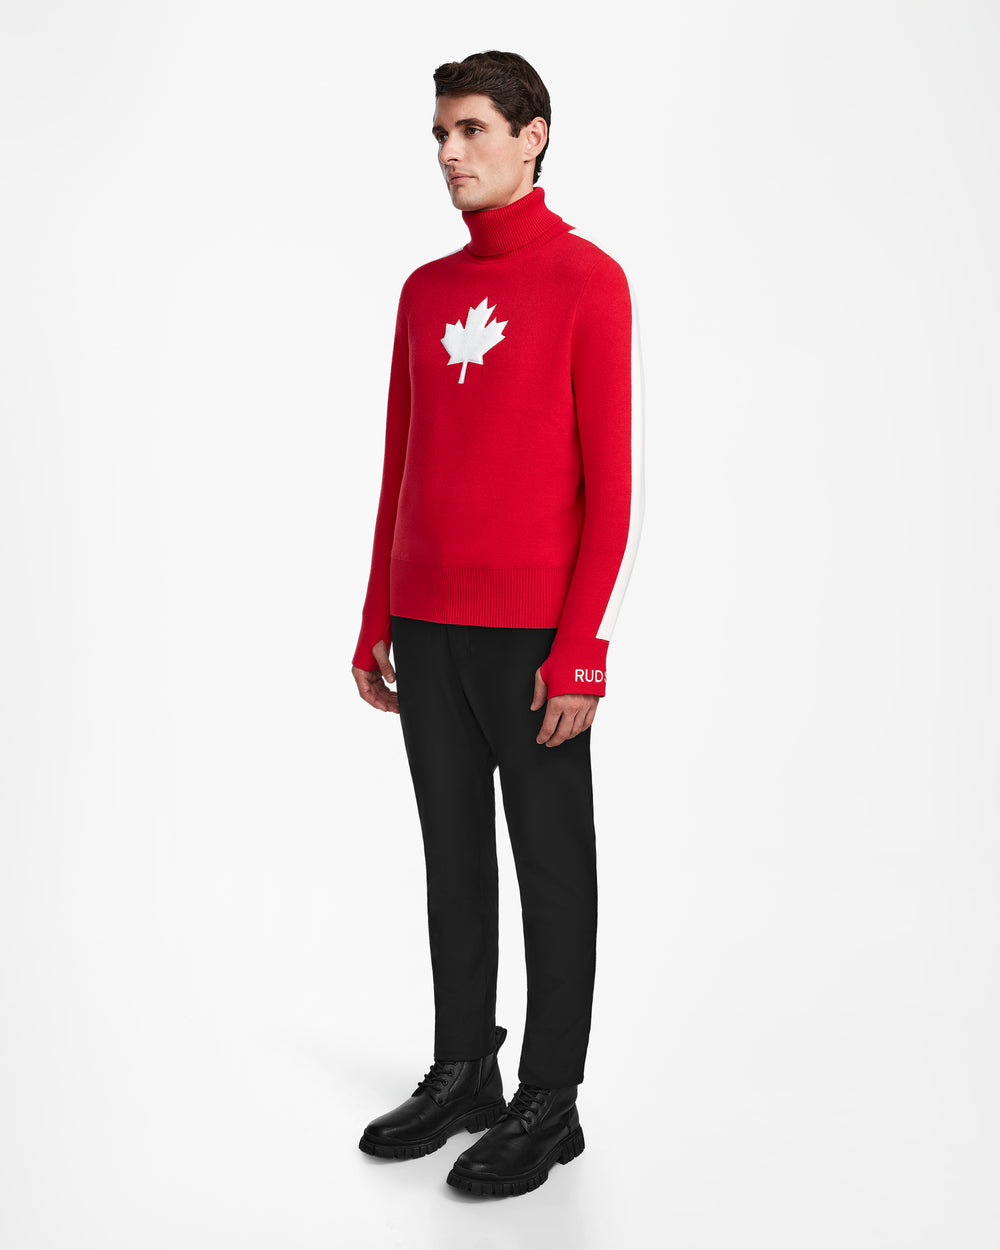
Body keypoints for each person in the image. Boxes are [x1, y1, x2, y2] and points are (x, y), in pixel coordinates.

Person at [351, 49, 644, 1197]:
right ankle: (465, 1066)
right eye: (439, 132)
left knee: (552, 870)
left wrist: (582, 650)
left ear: (533, 135)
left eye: (470, 129)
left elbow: (611, 490)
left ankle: (549, 1099)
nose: (448, 152)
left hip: (531, 639)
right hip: (425, 621)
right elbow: (400, 462)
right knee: (453, 859)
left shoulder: (586, 281)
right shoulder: (423, 292)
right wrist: (374, 612)